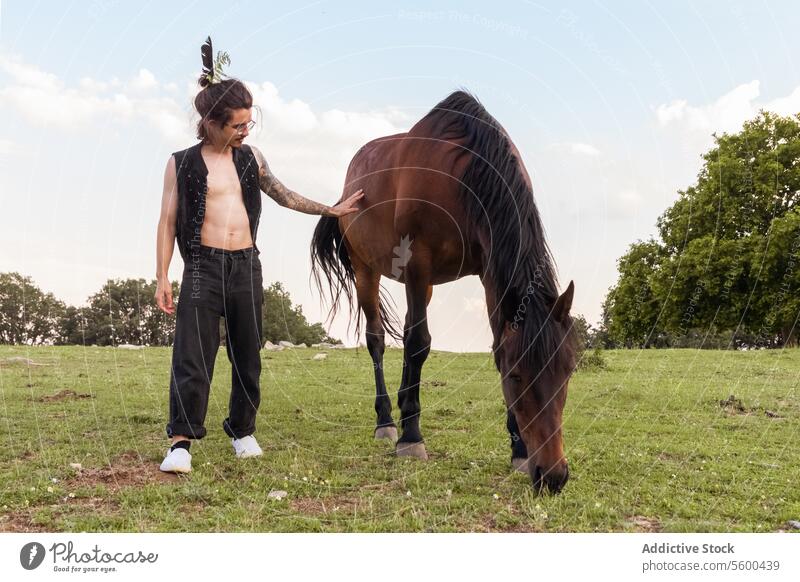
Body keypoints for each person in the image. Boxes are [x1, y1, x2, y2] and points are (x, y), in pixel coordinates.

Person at [154, 38, 363, 473]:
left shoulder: (251, 159)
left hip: (246, 265)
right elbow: (167, 222)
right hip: (200, 269)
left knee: (248, 356)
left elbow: (283, 194)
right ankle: (180, 444)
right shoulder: (182, 163)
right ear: (211, 122)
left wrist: (330, 208)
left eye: (249, 123)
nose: (245, 131)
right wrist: (162, 277)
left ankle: (242, 431)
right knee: (193, 357)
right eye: (237, 125)